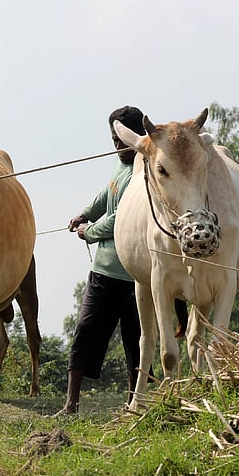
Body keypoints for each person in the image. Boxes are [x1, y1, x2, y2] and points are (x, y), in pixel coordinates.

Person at [55, 105, 145, 415]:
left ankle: (135, 402)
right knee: (84, 331)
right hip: (104, 272)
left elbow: (121, 218)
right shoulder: (121, 163)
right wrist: (86, 213)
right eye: (114, 140)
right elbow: (108, 193)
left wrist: (90, 232)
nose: (117, 146)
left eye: (122, 140)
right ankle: (71, 404)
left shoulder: (145, 171)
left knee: (136, 342)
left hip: (135, 276)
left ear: (137, 136)